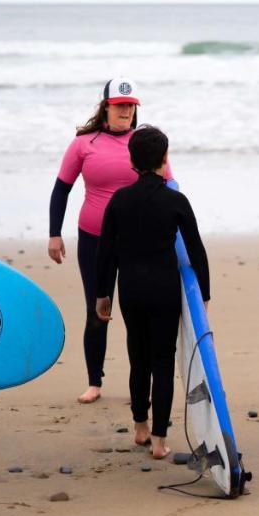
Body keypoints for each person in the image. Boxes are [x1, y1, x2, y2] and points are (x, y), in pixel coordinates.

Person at [48, 79, 172, 404]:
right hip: (93, 241)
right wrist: (54, 234)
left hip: (136, 242)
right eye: (120, 105)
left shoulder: (145, 142)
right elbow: (62, 189)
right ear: (106, 106)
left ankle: (138, 386)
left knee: (137, 314)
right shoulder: (83, 143)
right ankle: (94, 382)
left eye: (131, 105)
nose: (126, 111)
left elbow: (168, 188)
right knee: (97, 310)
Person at [93, 126, 208, 460]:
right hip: (163, 289)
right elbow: (196, 250)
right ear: (164, 158)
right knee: (162, 359)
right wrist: (205, 295)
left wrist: (103, 293)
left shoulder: (118, 200)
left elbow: (106, 252)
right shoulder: (175, 200)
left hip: (130, 289)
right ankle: (159, 441)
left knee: (137, 357)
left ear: (131, 160)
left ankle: (140, 427)